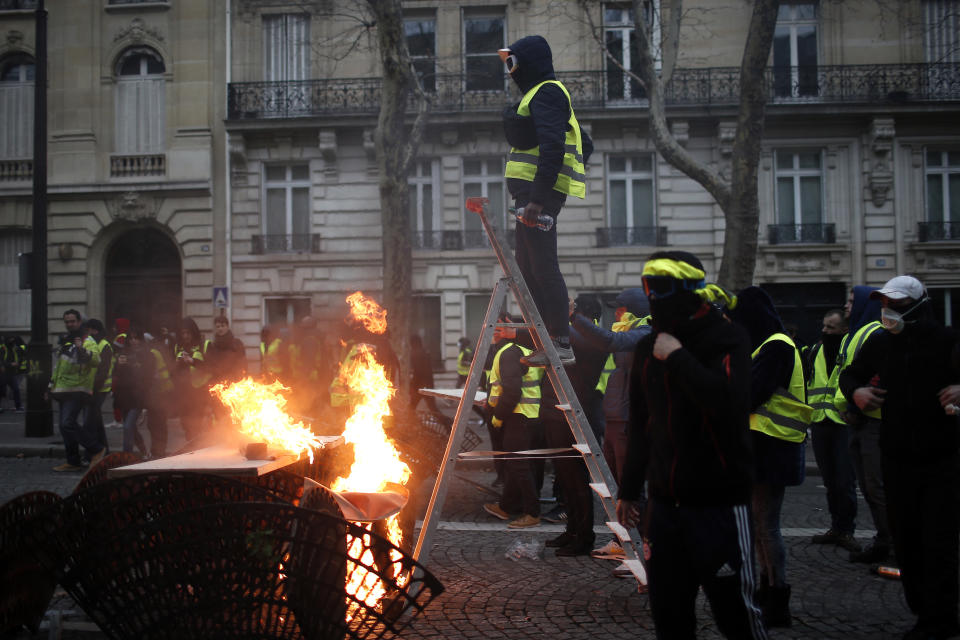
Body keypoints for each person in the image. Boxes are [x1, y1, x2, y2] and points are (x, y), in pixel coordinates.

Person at [618, 251, 766, 640]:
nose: (653, 297)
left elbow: (729, 403)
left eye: (661, 288)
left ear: (687, 288)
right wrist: (630, 490)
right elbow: (640, 422)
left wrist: (679, 358)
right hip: (664, 507)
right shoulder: (647, 346)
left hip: (719, 503)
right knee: (668, 613)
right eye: (648, 287)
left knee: (736, 612)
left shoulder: (726, 336)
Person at [840, 275, 960, 640]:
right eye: (883, 304)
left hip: (943, 457)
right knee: (906, 540)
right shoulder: (880, 342)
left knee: (938, 541)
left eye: (897, 304)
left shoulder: (949, 340)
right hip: (896, 456)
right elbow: (850, 375)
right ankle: (923, 613)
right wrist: (857, 393)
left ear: (920, 304)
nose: (887, 311)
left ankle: (941, 620)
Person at [499, 34, 593, 367]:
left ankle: (560, 342)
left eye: (512, 63)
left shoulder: (548, 92)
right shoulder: (541, 95)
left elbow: (553, 146)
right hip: (531, 195)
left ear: (529, 63)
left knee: (542, 266)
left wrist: (539, 200)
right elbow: (584, 142)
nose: (510, 72)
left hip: (538, 195)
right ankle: (549, 340)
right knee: (528, 268)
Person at [729, 287, 810, 628]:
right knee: (761, 526)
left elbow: (751, 393)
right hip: (764, 446)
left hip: (773, 448)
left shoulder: (776, 344)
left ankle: (777, 597)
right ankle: (767, 588)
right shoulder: (765, 343)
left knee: (766, 526)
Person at [572, 287, 652, 568]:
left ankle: (641, 550)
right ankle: (624, 542)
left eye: (619, 308)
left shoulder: (642, 334)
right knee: (618, 485)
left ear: (632, 311)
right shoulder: (629, 334)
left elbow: (609, 341)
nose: (615, 313)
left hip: (629, 421)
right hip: (616, 418)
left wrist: (573, 316)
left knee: (632, 489)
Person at [826, 285, 890, 562]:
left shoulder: (873, 331)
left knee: (877, 488)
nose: (847, 306)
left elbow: (873, 376)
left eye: (852, 301)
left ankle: (893, 546)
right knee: (868, 487)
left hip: (871, 421)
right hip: (855, 420)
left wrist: (855, 407)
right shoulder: (856, 334)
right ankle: (883, 540)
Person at [482, 314, 545, 529]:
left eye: (497, 330)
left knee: (519, 466)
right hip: (531, 415)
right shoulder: (526, 350)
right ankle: (506, 506)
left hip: (517, 417)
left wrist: (497, 416)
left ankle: (532, 513)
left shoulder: (508, 353)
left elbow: (511, 391)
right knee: (517, 463)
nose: (493, 333)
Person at [806, 308, 859, 554]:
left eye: (831, 327)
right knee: (830, 481)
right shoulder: (815, 350)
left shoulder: (850, 350)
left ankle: (846, 529)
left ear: (844, 329)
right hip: (820, 422)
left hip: (842, 424)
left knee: (844, 481)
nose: (825, 331)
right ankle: (836, 527)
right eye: (824, 326)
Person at [49, 312, 105, 472]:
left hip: (77, 390)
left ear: (80, 322)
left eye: (73, 321)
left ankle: (96, 448)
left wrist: (81, 348)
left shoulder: (88, 340)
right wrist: (50, 386)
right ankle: (73, 461)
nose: (70, 324)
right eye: (67, 321)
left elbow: (96, 360)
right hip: (62, 389)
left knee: (67, 424)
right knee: (64, 426)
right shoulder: (66, 341)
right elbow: (59, 367)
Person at [112, 328, 152, 457]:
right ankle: (144, 451)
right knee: (132, 429)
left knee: (128, 426)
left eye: (136, 338)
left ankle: (126, 456)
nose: (134, 341)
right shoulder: (123, 353)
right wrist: (120, 366)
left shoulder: (146, 354)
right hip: (124, 397)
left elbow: (147, 376)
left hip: (137, 397)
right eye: (131, 338)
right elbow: (116, 375)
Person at [174, 317, 211, 444]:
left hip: (199, 391)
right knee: (185, 423)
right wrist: (178, 363)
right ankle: (191, 445)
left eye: (188, 333)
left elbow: (210, 367)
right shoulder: (178, 347)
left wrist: (192, 361)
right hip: (183, 392)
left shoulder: (204, 345)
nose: (185, 336)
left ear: (193, 332)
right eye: (183, 333)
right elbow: (174, 370)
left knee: (197, 424)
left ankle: (197, 448)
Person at [82, 319, 114, 454]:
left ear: (94, 330)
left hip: (98, 389)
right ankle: (103, 451)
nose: (86, 333)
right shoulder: (94, 343)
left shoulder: (104, 345)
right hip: (93, 387)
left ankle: (94, 452)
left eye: (88, 330)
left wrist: (92, 387)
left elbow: (103, 370)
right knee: (96, 422)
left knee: (90, 423)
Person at [206, 315, 247, 386]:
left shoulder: (237, 343)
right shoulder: (212, 346)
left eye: (222, 326)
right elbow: (210, 365)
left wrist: (238, 377)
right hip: (218, 383)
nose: (220, 329)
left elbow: (242, 362)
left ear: (227, 326)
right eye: (218, 327)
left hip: (234, 383)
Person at [0, 335, 24, 413]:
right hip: (3, 373)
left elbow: (18, 357)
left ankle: (18, 407)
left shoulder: (14, 348)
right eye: (11, 340)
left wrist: (17, 364)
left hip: (11, 373)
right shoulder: (2, 348)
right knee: (1, 390)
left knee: (16, 390)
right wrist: (11, 364)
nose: (12, 342)